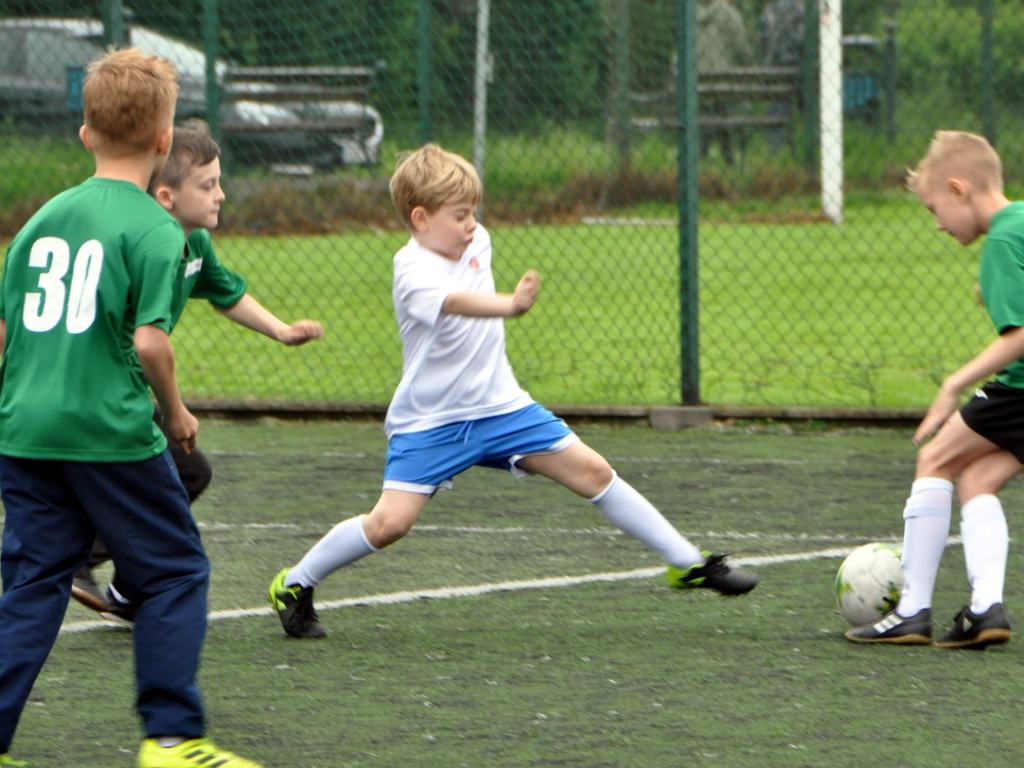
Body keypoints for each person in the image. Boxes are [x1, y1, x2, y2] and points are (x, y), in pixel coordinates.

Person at [268, 143, 758, 640]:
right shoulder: (411, 271)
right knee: (389, 524)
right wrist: (512, 305)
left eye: (473, 212)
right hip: (432, 422)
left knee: (595, 471)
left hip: (502, 407)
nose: (471, 223)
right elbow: (457, 302)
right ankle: (295, 583)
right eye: (459, 215)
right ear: (419, 218)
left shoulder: (475, 239)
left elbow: (469, 273)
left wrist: (493, 276)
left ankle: (688, 564)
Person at [0, 49, 262, 767]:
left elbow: (4, 331)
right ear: (161, 141)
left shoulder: (39, 222)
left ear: (85, 135)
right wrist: (174, 415)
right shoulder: (154, 229)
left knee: (31, 585)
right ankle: (173, 740)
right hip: (108, 431)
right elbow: (151, 343)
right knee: (176, 571)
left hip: (23, 431)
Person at [69, 118, 324, 622]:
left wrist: (281, 330)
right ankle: (86, 565)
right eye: (207, 185)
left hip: (128, 392)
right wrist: (176, 411)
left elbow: (224, 291)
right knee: (170, 477)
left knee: (182, 474)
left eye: (219, 182)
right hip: (103, 390)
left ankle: (118, 585)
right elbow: (146, 342)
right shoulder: (145, 241)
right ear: (166, 196)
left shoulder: (194, 243)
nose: (221, 195)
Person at [846, 130, 1022, 649]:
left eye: (934, 208)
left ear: (959, 188)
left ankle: (911, 610)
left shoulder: (1004, 240)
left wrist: (953, 385)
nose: (938, 223)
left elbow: (1020, 333)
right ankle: (985, 610)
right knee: (978, 481)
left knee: (936, 461)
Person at [696, 0, 753, 165]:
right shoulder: (729, 14)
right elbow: (741, 47)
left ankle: (703, 152)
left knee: (710, 109)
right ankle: (728, 155)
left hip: (697, 81)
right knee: (724, 105)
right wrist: (749, 64)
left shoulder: (691, 15)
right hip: (724, 80)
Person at [759, 0, 805, 150]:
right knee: (809, 101)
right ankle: (815, 141)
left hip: (775, 68)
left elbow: (762, 40)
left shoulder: (770, 11)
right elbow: (804, 40)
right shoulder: (803, 11)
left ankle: (775, 146)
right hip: (800, 69)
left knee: (778, 104)